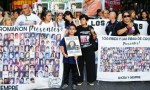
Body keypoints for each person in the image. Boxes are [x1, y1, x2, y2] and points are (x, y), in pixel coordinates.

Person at [77, 14, 97, 86]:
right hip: (80, 50)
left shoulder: (90, 27)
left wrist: (92, 32)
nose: (81, 21)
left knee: (90, 66)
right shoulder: (78, 28)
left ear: (86, 20)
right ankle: (79, 80)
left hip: (89, 49)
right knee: (79, 66)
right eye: (80, 19)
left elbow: (94, 38)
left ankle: (90, 80)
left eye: (83, 19)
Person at [60, 24, 78, 90]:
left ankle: (74, 83)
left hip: (74, 59)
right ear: (68, 30)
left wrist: (77, 55)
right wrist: (64, 53)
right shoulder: (65, 38)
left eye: (73, 29)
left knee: (74, 72)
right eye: (70, 29)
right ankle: (65, 83)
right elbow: (61, 45)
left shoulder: (77, 39)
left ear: (75, 31)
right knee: (66, 72)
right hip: (66, 58)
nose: (71, 30)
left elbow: (78, 48)